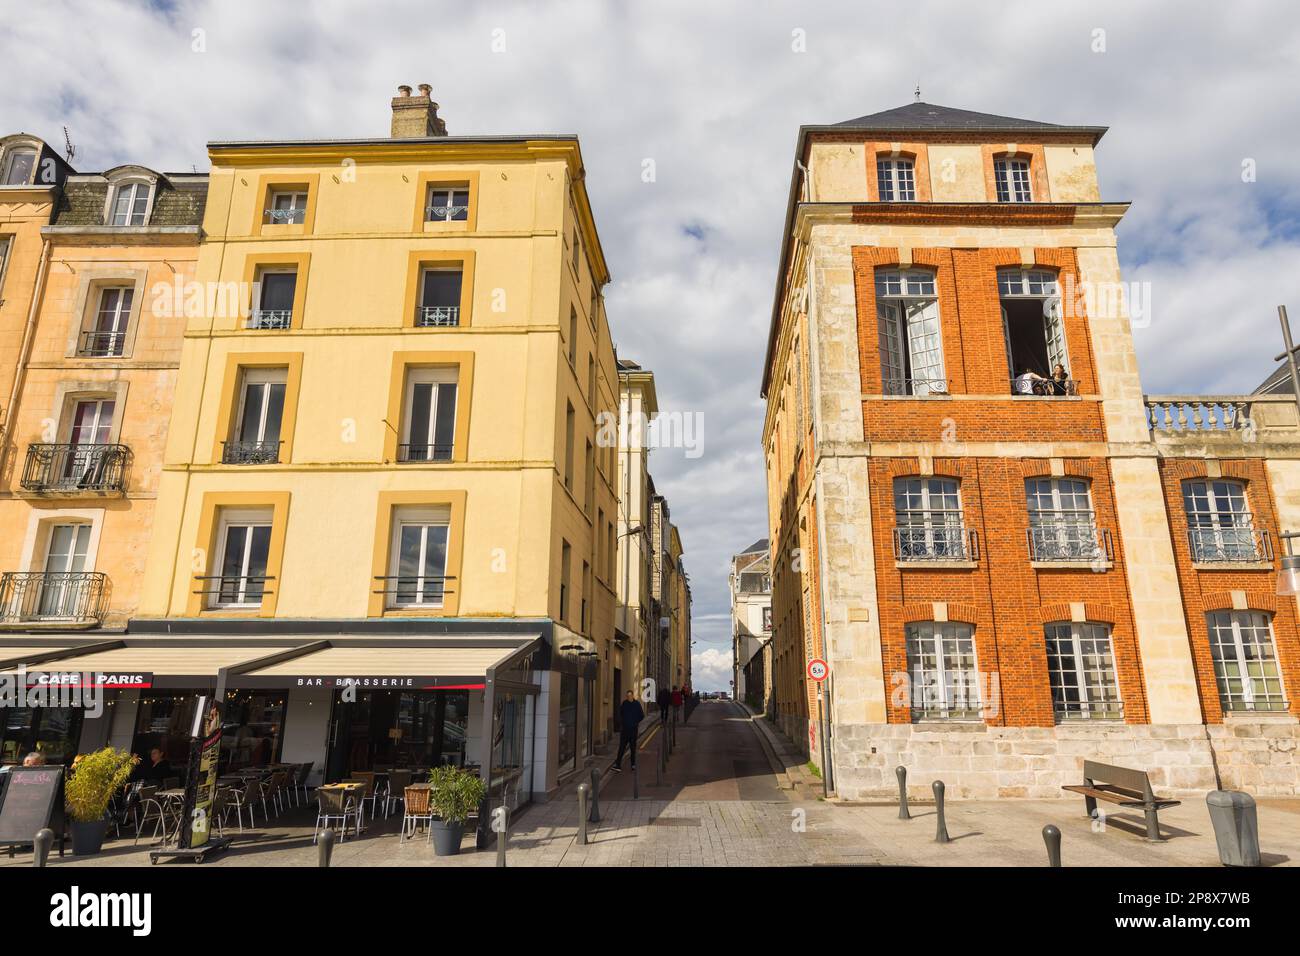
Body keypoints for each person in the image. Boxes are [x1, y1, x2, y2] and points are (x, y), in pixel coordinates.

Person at [612, 691, 644, 772]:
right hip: (625, 730)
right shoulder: (624, 704)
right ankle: (618, 764)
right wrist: (623, 722)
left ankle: (633, 764)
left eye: (630, 695)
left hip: (633, 730)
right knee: (621, 747)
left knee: (633, 748)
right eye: (627, 696)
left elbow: (641, 715)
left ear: (632, 696)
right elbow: (620, 713)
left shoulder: (637, 704)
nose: (629, 697)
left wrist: (635, 722)